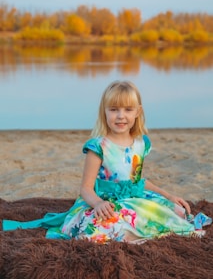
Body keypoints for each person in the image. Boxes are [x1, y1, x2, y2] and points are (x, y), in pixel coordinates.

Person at [3, 80, 212, 243]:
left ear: (137, 112)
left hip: (136, 197)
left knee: (178, 212)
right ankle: (132, 235)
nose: (121, 116)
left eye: (128, 110)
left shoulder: (141, 143)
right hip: (106, 200)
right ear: (104, 111)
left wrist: (168, 195)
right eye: (114, 109)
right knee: (106, 223)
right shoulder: (98, 147)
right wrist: (98, 203)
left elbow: (138, 180)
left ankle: (139, 232)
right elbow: (85, 188)